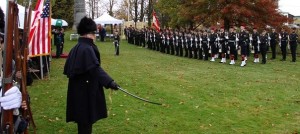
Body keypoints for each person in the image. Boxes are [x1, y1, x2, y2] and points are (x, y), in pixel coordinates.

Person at [63, 16, 120, 134]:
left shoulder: (76, 47)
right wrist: (110, 82)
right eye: (94, 33)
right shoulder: (86, 48)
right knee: (85, 122)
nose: (95, 36)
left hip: (78, 90)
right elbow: (95, 69)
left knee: (83, 121)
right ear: (89, 34)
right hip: (85, 91)